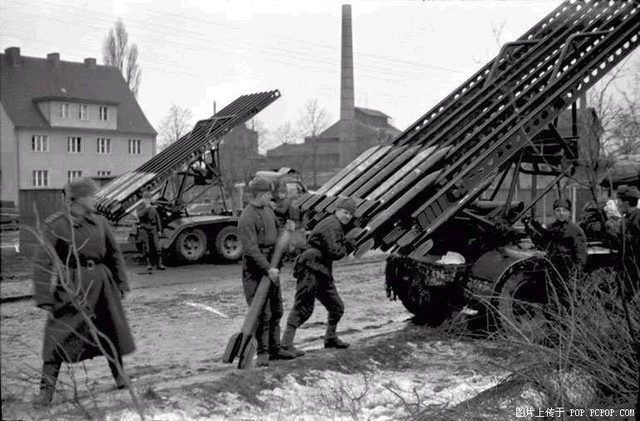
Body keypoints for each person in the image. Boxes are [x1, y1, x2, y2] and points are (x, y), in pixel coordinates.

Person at [31, 177, 135, 406]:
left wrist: (121, 283)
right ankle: (46, 391)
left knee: (111, 331)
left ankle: (120, 377)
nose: (96, 200)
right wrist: (44, 297)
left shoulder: (100, 223)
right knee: (57, 337)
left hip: (102, 285)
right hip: (71, 287)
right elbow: (42, 262)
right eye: (92, 196)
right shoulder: (57, 225)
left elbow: (114, 255)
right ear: (78, 199)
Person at [281, 197, 357, 355]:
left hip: (321, 269)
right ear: (337, 210)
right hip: (311, 268)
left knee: (336, 306)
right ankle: (285, 345)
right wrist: (348, 246)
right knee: (303, 307)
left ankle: (330, 338)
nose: (348, 216)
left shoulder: (335, 224)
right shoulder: (332, 225)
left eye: (350, 214)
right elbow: (336, 252)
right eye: (345, 212)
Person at [238, 177, 296, 367]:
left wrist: (287, 232)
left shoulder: (268, 211)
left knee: (276, 309)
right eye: (268, 194)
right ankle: (262, 353)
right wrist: (268, 268)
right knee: (263, 313)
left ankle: (275, 348)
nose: (270, 197)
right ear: (261, 194)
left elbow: (277, 234)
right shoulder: (247, 217)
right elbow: (251, 250)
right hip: (256, 271)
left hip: (272, 266)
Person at [524, 197, 587, 278]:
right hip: (552, 271)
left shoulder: (575, 230)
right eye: (558, 210)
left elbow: (580, 255)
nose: (561, 213)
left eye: (564, 210)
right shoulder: (551, 228)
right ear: (554, 212)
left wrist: (575, 274)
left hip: (568, 271)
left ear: (569, 212)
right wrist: (529, 228)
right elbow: (542, 243)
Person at [606, 185, 640, 298]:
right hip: (628, 270)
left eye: (619, 201)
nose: (618, 204)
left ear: (626, 202)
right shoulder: (629, 218)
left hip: (634, 270)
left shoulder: (636, 219)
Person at [136, 190, 165, 271]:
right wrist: (147, 208)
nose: (147, 201)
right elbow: (140, 215)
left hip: (153, 229)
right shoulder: (140, 208)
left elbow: (157, 219)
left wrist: (159, 230)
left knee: (157, 247)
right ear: (143, 199)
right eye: (145, 199)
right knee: (146, 247)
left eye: (148, 199)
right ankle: (148, 264)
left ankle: (159, 264)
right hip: (144, 229)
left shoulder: (153, 208)